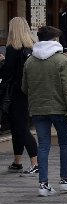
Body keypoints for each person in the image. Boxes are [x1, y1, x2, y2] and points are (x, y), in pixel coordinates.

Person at [22, 26, 67, 196]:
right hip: (59, 108)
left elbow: (24, 87)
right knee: (64, 143)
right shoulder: (62, 60)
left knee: (43, 145)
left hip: (38, 108)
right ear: (54, 40)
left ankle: (43, 184)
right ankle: (65, 180)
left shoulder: (29, 61)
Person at [2, 17, 39, 174]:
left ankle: (35, 163)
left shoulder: (13, 48)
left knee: (21, 128)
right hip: (29, 92)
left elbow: (7, 73)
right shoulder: (32, 48)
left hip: (15, 93)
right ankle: (17, 162)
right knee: (17, 127)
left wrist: (2, 63)